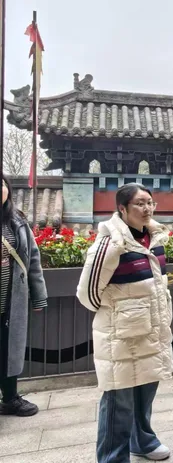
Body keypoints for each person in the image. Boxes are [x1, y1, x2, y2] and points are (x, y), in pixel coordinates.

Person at [77, 183, 173, 462]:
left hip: (151, 329)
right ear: (122, 208)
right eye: (140, 204)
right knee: (118, 401)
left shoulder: (155, 239)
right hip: (119, 335)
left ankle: (142, 441)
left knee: (146, 388)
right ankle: (113, 457)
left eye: (150, 203)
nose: (147, 208)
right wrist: (122, 311)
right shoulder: (110, 244)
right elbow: (87, 294)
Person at [0, 174, 47, 417]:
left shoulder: (17, 221)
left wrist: (39, 296)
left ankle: (10, 398)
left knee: (8, 351)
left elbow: (33, 261)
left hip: (10, 303)